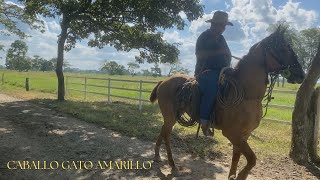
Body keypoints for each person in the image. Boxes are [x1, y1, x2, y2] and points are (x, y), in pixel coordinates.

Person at [194, 11, 232, 136]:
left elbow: (227, 53)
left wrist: (227, 59)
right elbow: (200, 54)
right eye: (221, 25)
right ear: (214, 24)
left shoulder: (221, 39)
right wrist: (219, 52)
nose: (223, 28)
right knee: (213, 86)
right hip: (204, 72)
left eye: (224, 26)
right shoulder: (204, 36)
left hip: (222, 71)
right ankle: (204, 120)